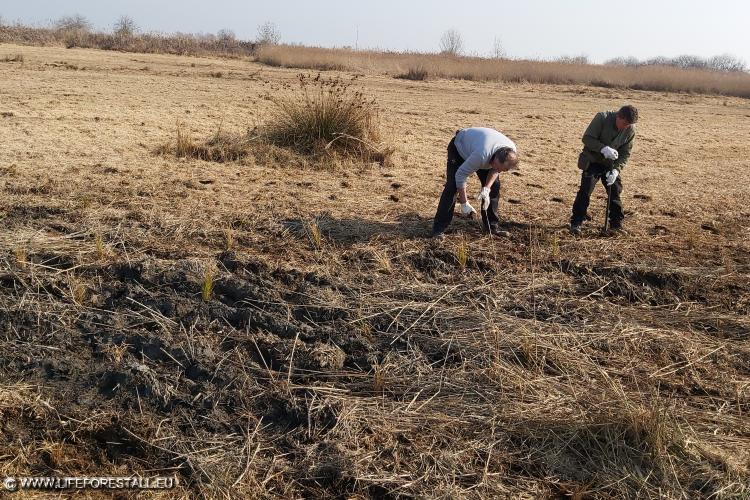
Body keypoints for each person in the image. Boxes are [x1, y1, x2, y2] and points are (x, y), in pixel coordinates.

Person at [432, 127, 519, 239]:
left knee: (494, 186)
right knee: (452, 186)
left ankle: (491, 227)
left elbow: (495, 170)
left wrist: (486, 189)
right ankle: (438, 230)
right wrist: (464, 203)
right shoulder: (481, 155)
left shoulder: (510, 151)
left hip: (480, 148)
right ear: (496, 159)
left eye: (503, 170)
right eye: (499, 168)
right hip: (460, 148)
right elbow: (460, 175)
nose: (499, 171)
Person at [570, 105, 639, 235]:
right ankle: (576, 222)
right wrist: (603, 148)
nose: (625, 127)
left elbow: (625, 153)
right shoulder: (602, 118)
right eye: (624, 123)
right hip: (593, 160)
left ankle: (616, 224)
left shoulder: (630, 129)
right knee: (586, 190)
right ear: (619, 116)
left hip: (611, 165)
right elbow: (587, 139)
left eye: (628, 125)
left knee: (615, 191)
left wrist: (616, 170)